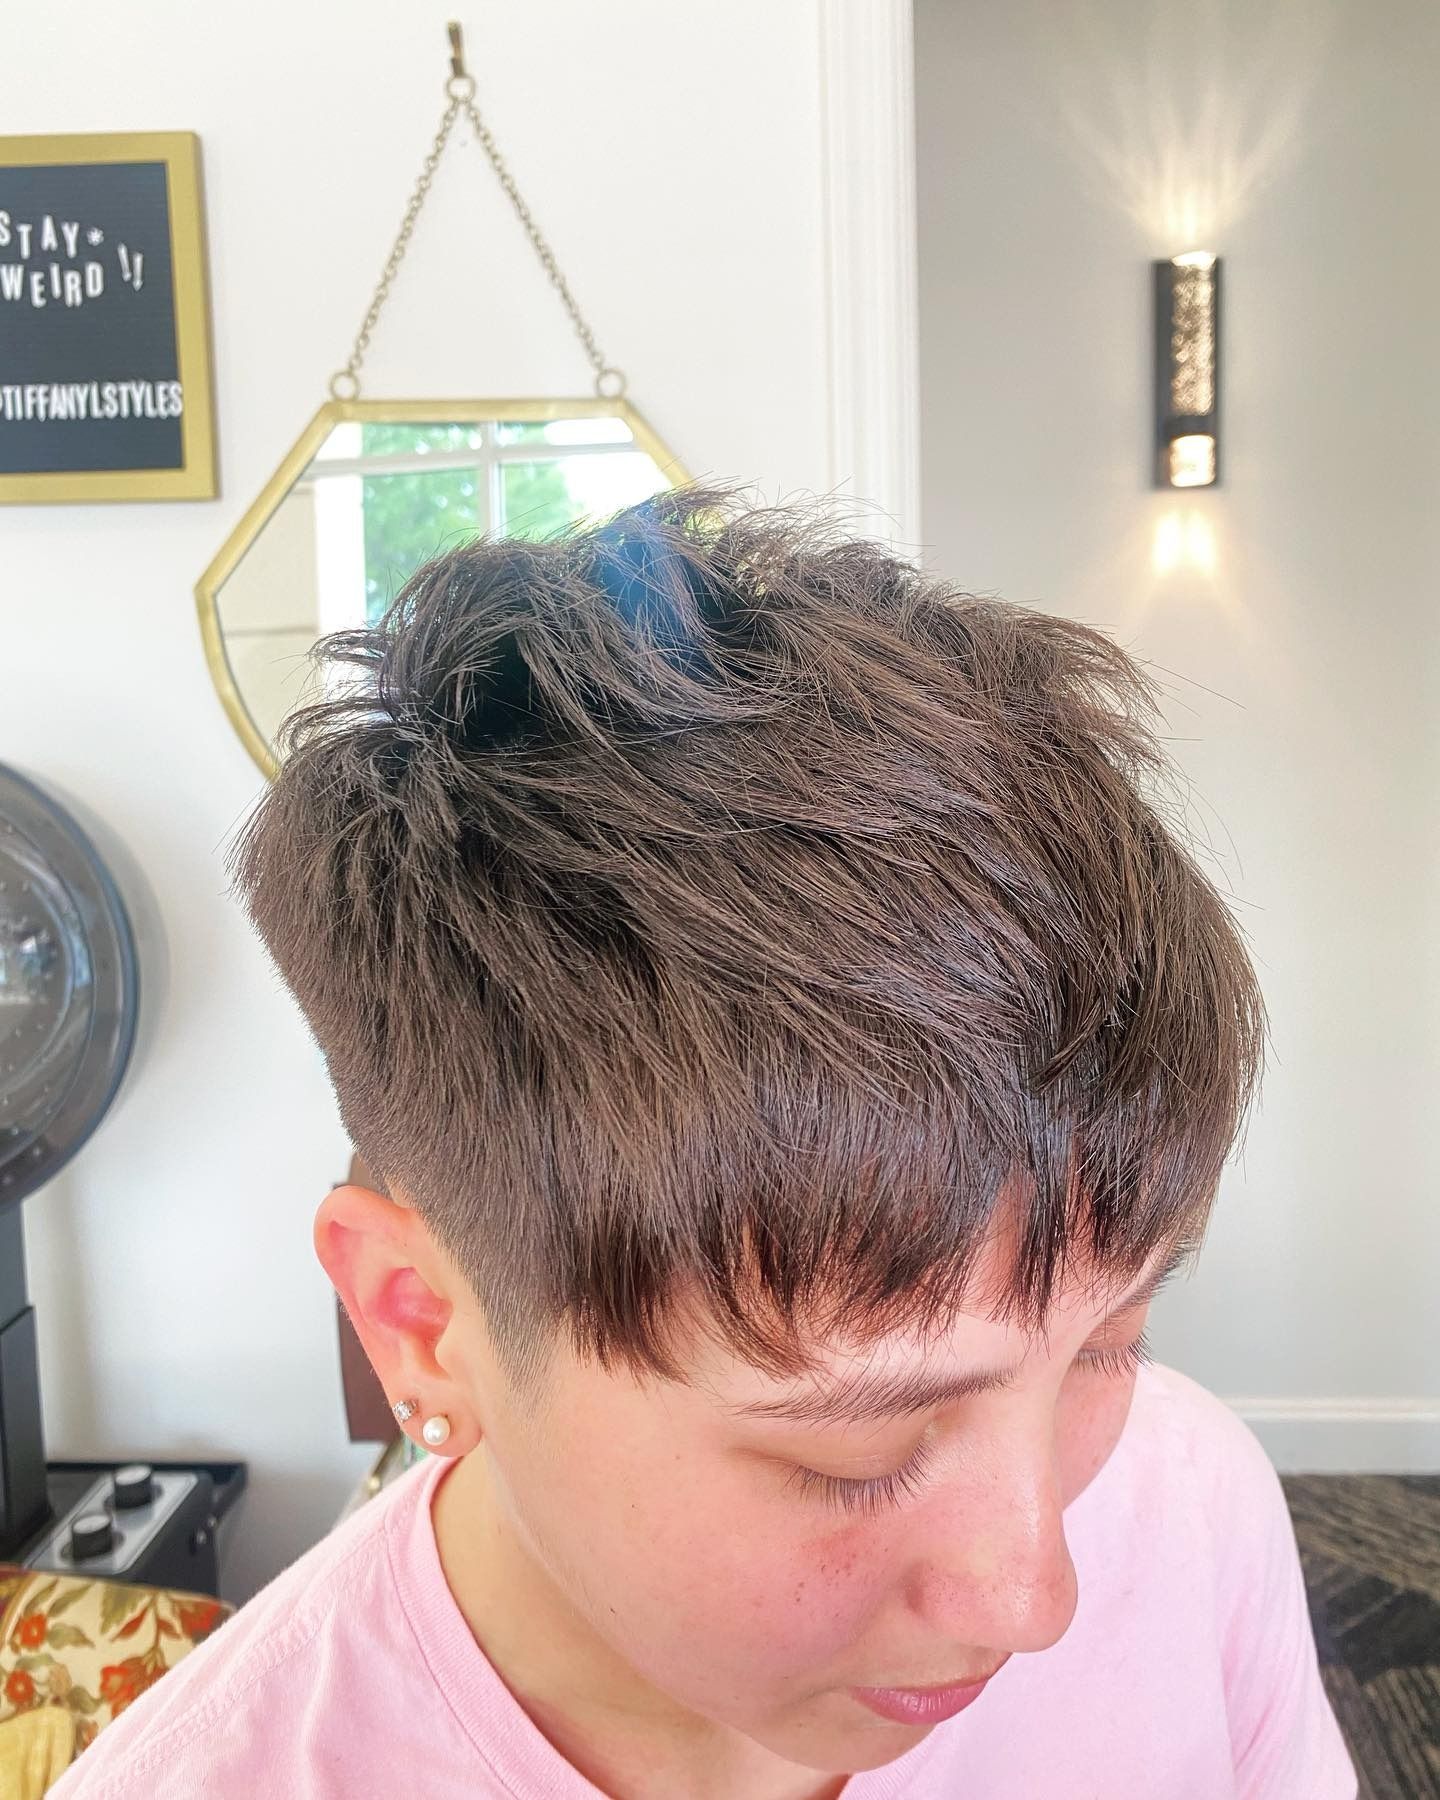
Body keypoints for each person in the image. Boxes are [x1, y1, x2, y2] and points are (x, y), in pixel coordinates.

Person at [52, 488, 1356, 1799]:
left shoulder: (1194, 1503)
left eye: (1107, 1348)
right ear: (418, 1322)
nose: (1031, 1596)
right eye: (854, 1453)